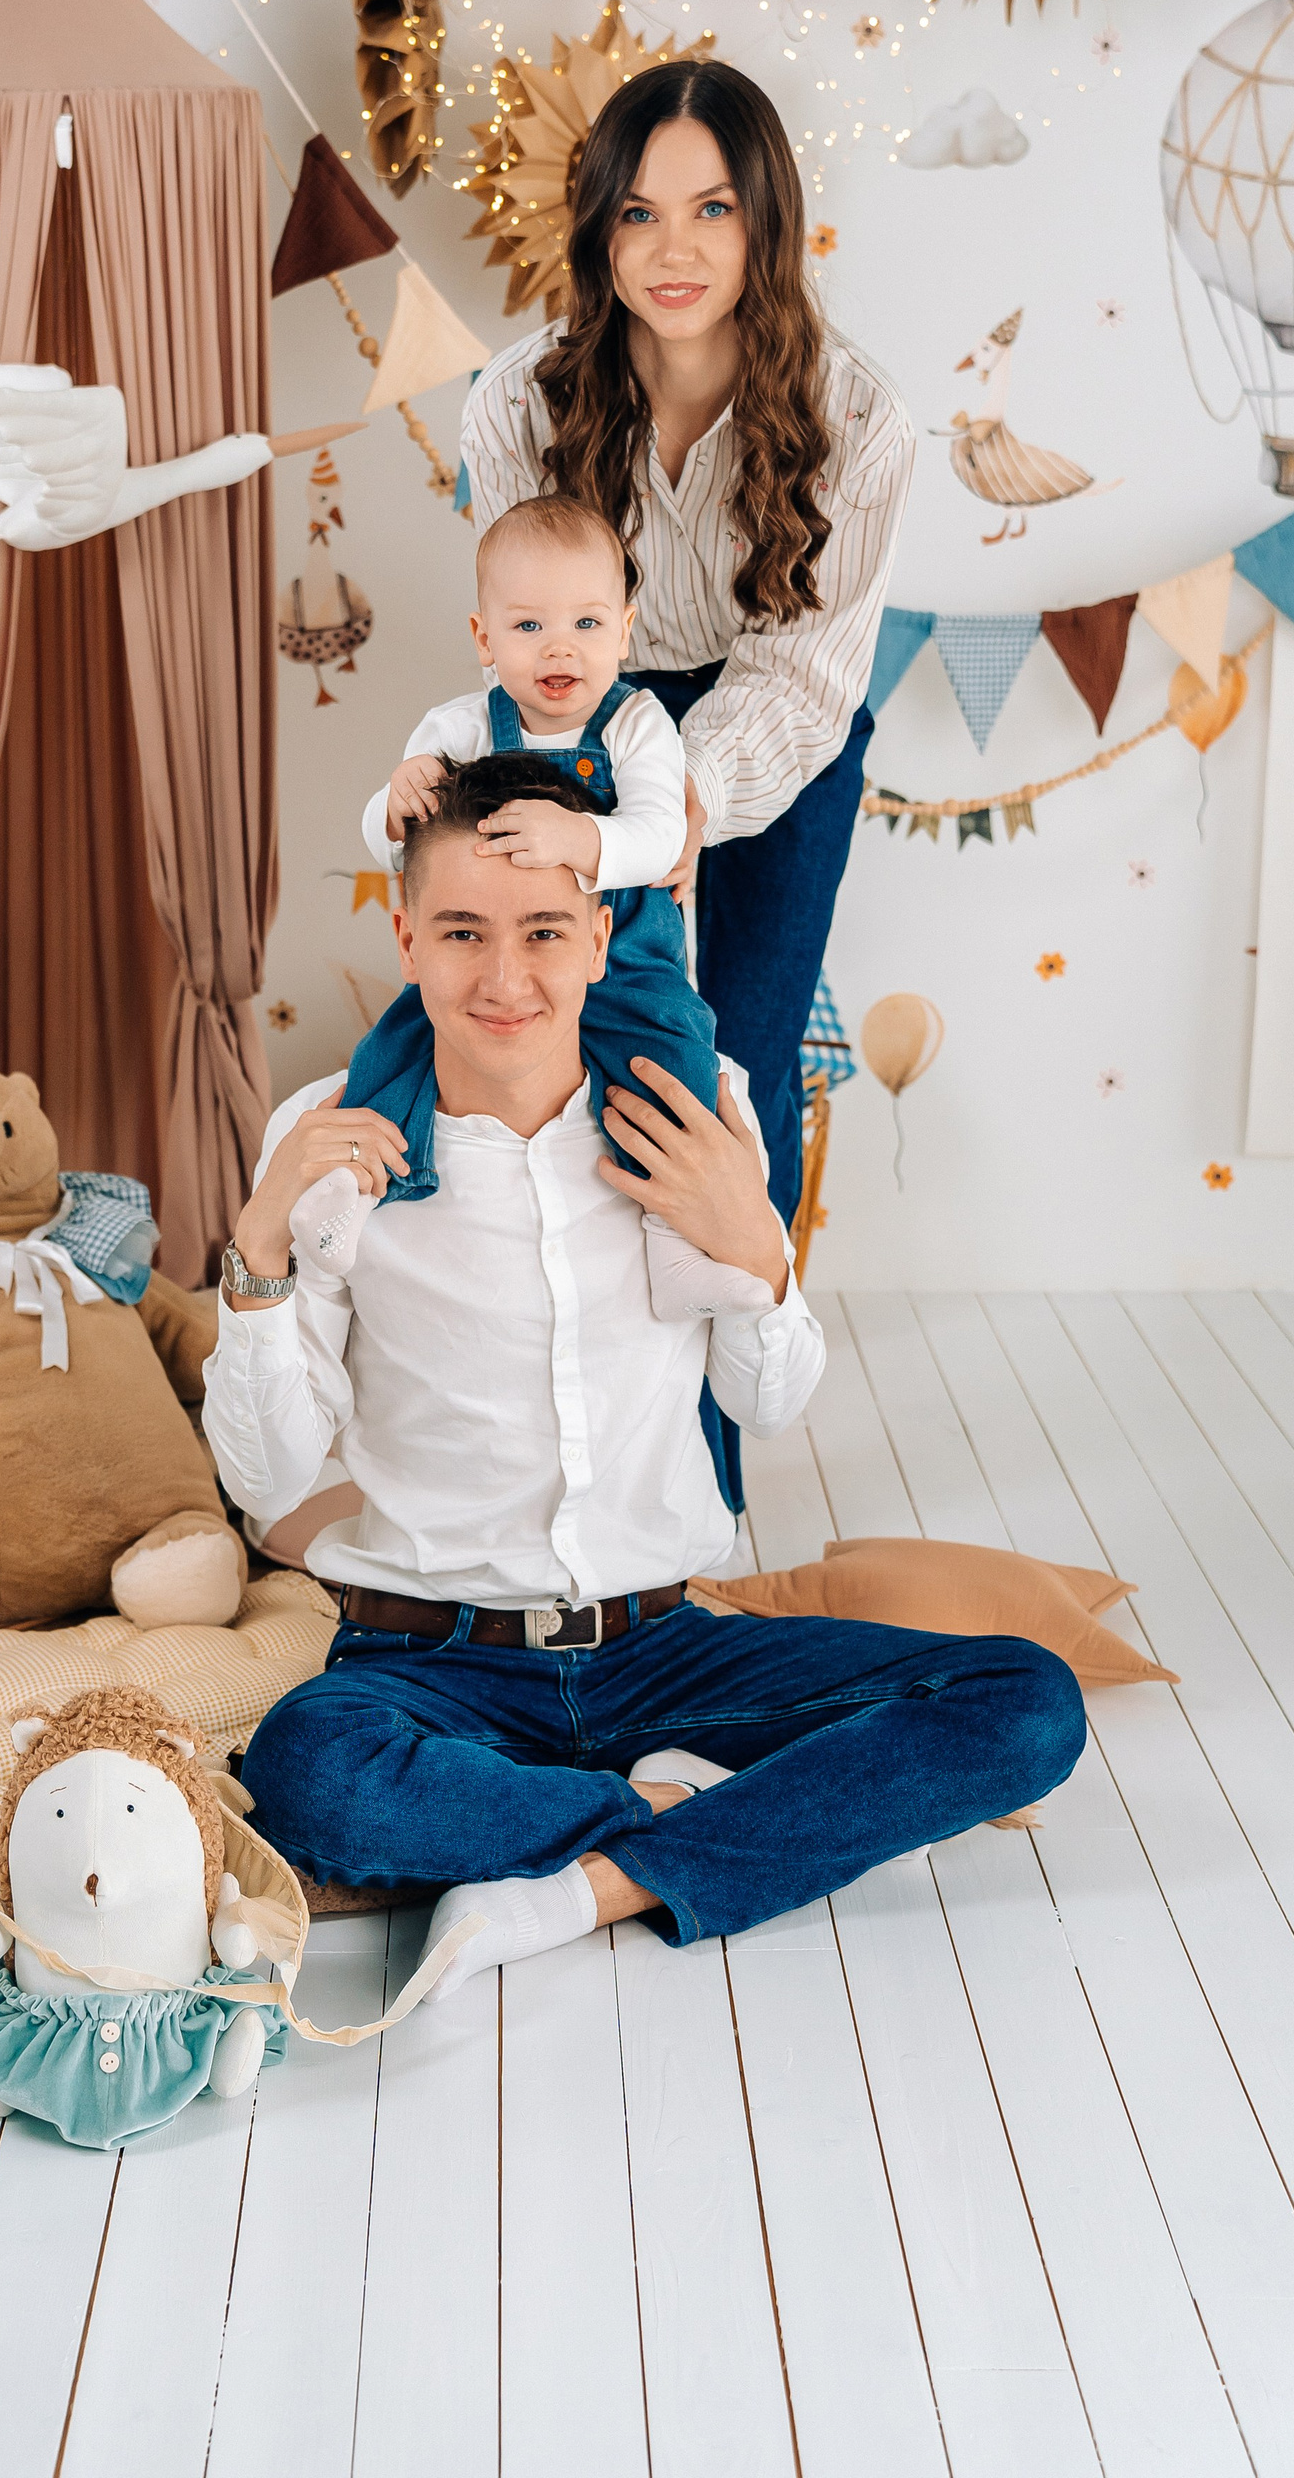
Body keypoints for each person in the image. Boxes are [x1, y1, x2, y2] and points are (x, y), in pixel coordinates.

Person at [202, 757, 1084, 2004]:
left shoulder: (694, 1108)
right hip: (436, 1662)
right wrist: (257, 1250)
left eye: (543, 931)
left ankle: (585, 1885)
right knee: (308, 1772)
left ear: (600, 938)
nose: (505, 978)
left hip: (668, 1649)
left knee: (1028, 1701)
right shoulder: (331, 1137)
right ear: (407, 937)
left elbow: (768, 1403)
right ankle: (701, 1816)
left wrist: (757, 1247)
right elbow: (269, 1476)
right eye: (462, 932)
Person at [460, 58, 916, 1505]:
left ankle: (704, 1475)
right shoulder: (518, 403)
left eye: (712, 209)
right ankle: (576, 1436)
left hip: (777, 733)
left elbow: (805, 673)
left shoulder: (859, 418)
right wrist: (587, 798)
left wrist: (675, 808)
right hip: (573, 719)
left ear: (766, 220)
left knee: (739, 1073)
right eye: (640, 212)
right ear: (598, 225)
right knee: (562, 1060)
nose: (675, 249)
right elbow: (527, 626)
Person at [342, 494, 723, 1295]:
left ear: (624, 629)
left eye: (587, 623)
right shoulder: (457, 727)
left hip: (625, 945)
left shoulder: (637, 723)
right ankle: (371, 1178)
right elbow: (396, 848)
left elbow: (662, 836)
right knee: (395, 1044)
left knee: (679, 1050)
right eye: (528, 625)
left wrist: (577, 839)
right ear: (484, 638)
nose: (560, 646)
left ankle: (676, 1223)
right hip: (493, 942)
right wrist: (394, 802)